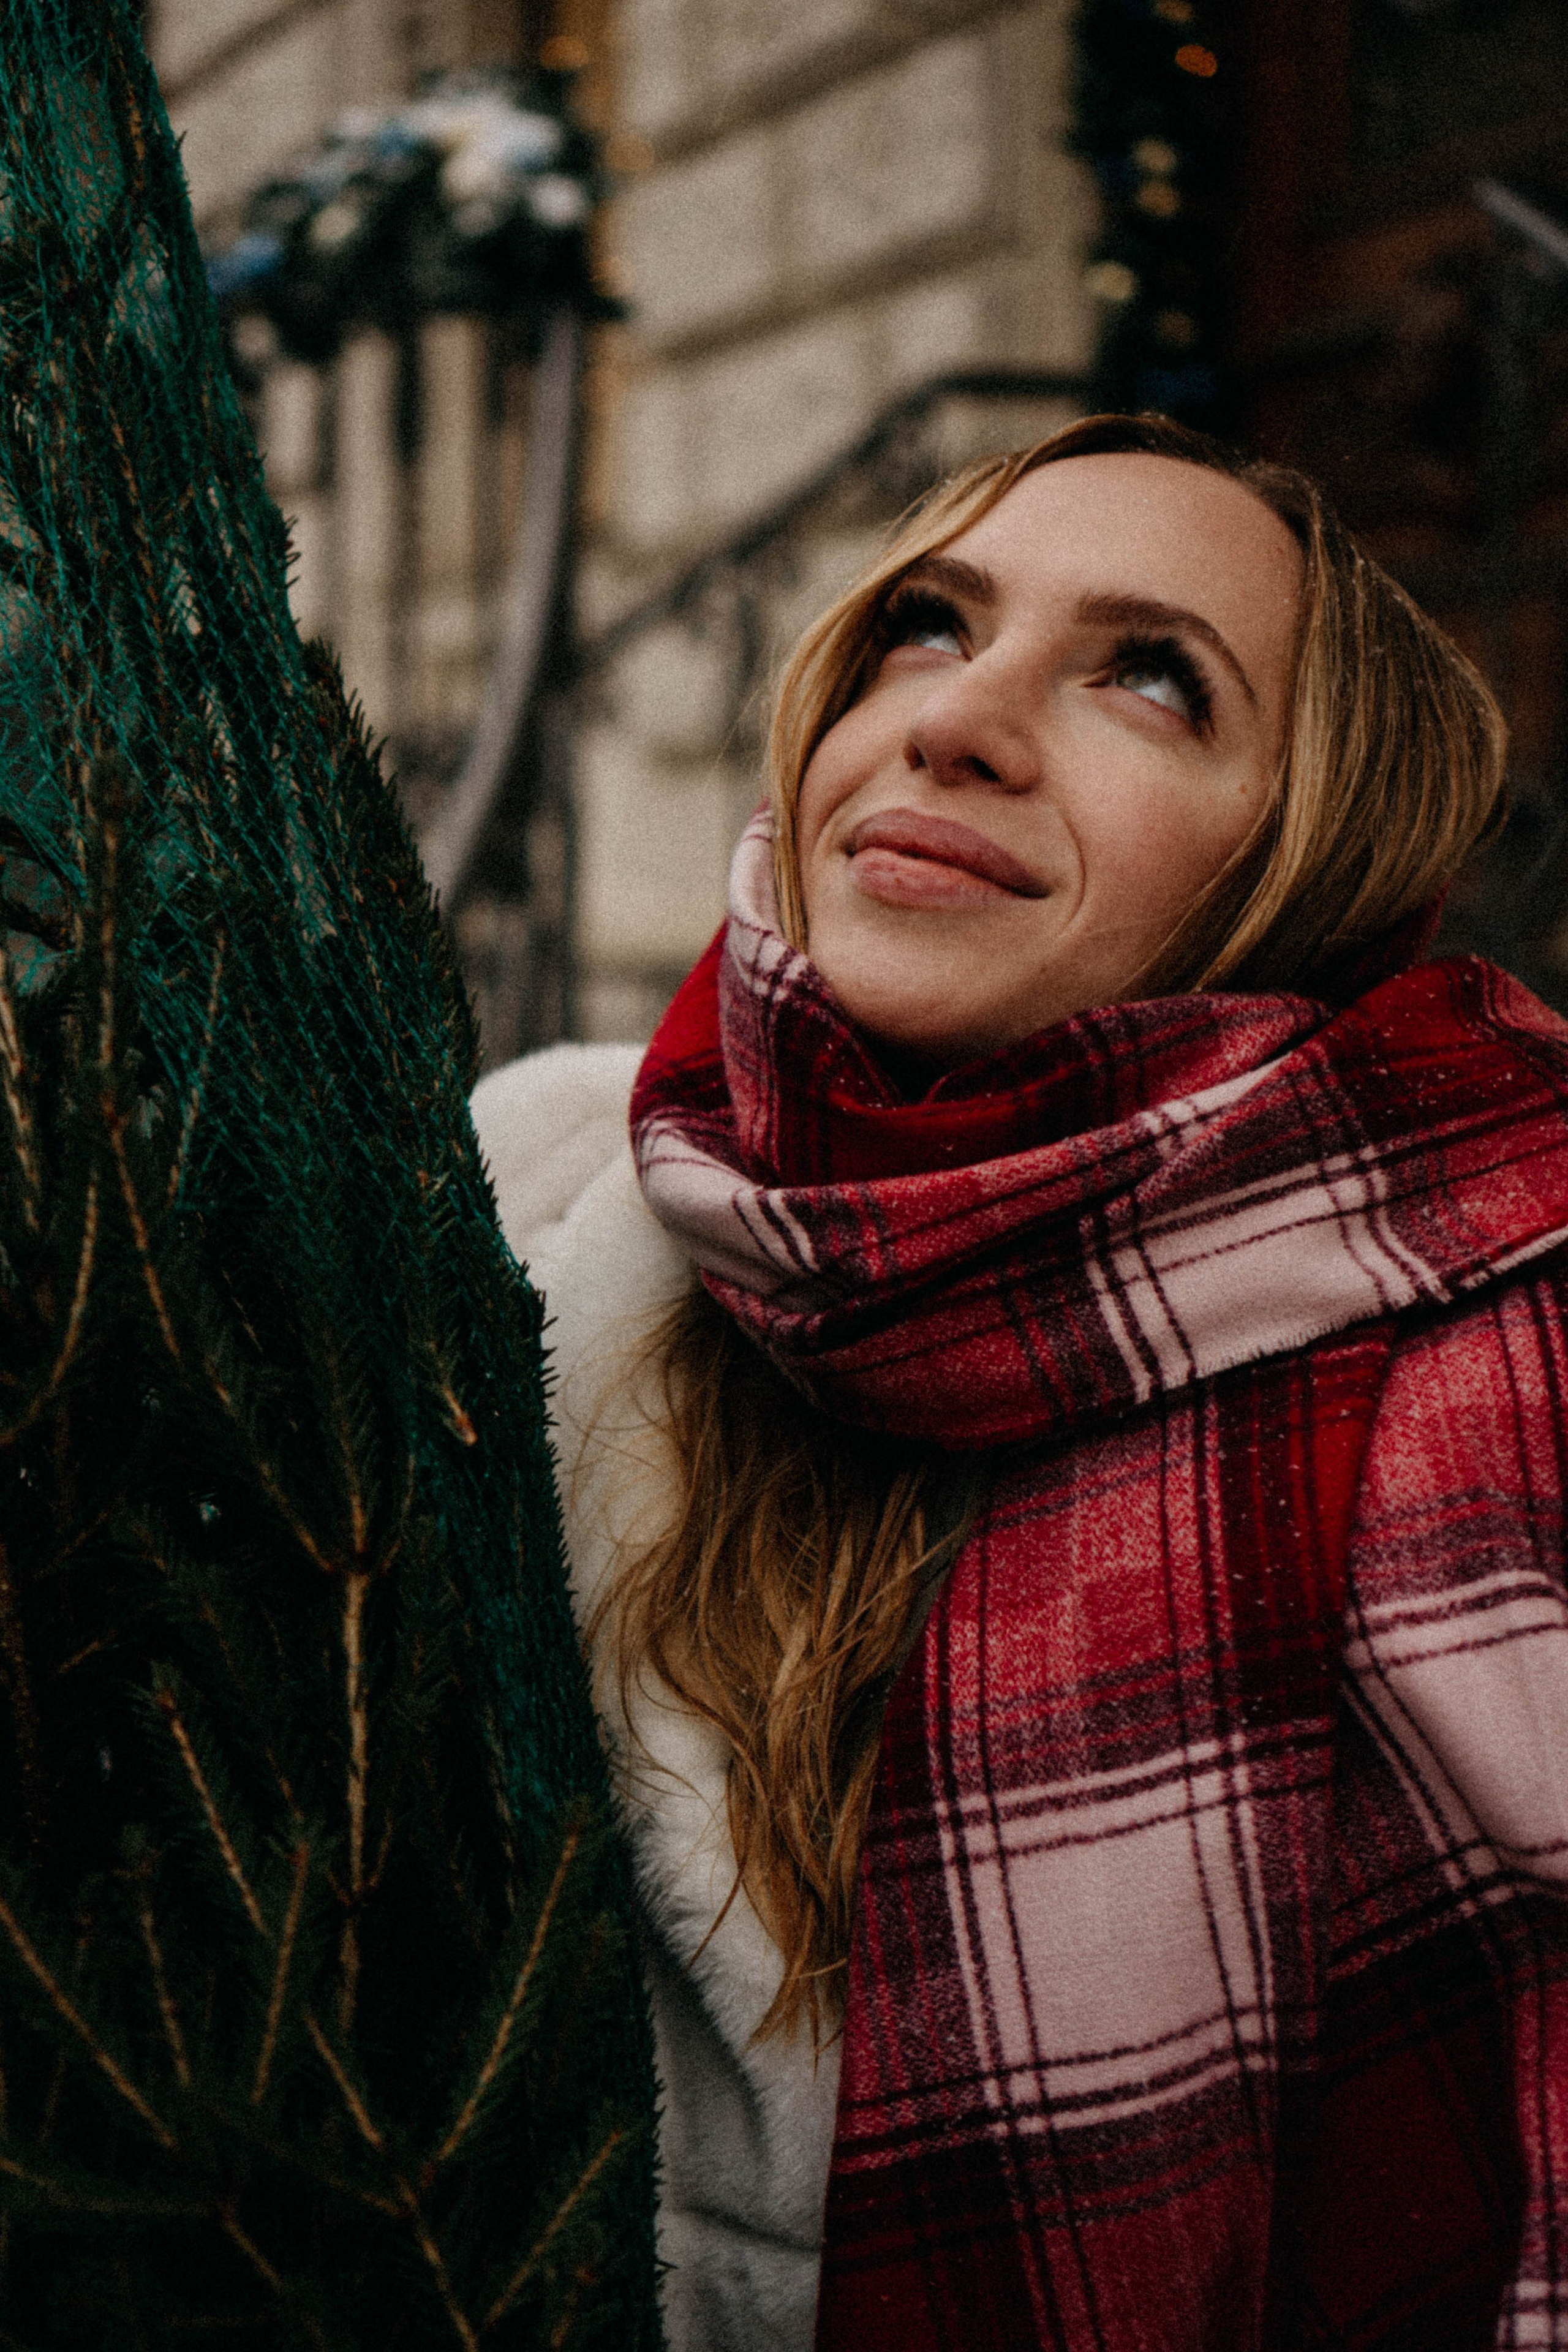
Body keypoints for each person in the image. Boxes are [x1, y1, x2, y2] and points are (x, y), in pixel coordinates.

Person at [472, 413, 1568, 2352]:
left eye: (1153, 679)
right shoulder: (542, 1208)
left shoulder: (1487, 1362)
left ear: (1305, 865)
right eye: (925, 625)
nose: (957, 721)